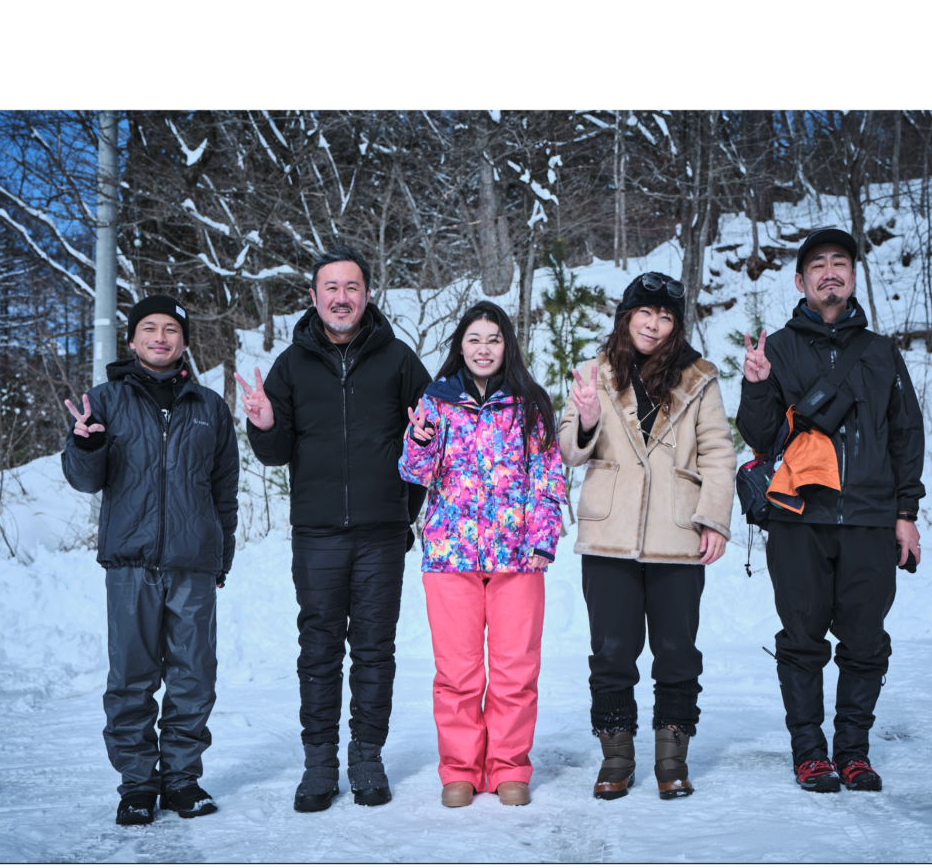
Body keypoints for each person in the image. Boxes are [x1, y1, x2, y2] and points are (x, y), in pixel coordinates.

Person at [236, 245, 430, 811]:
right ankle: (318, 764)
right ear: (314, 296)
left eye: (351, 287)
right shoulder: (291, 365)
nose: (341, 298)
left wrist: (404, 511)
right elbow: (275, 453)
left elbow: (426, 444)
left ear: (366, 295)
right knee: (318, 650)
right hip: (317, 533)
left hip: (381, 533)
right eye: (331, 288)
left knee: (374, 649)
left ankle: (367, 758)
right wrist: (263, 424)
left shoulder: (398, 360)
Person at [736, 228, 924, 793]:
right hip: (799, 517)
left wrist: (906, 512)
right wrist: (756, 386)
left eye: (839, 262)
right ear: (801, 282)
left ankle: (854, 753)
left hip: (870, 517)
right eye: (817, 265)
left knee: (865, 640)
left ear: (853, 276)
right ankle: (810, 753)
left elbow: (906, 434)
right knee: (802, 639)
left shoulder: (882, 352)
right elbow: (759, 437)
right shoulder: (778, 349)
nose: (829, 272)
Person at [61, 294, 240, 826]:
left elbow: (225, 491)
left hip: (193, 564)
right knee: (131, 678)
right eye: (149, 328)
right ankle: (138, 784)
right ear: (132, 339)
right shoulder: (104, 401)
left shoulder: (209, 407)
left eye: (171, 329)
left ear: (184, 341)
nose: (160, 337)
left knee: (193, 676)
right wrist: (85, 446)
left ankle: (182, 780)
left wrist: (220, 556)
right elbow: (84, 480)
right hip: (130, 564)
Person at [558, 273, 736, 801]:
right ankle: (616, 758)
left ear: (676, 325)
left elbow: (718, 453)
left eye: (665, 317)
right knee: (611, 651)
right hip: (608, 534)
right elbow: (568, 449)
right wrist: (587, 419)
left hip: (677, 534)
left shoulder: (699, 378)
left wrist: (714, 519)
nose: (654, 325)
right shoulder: (593, 373)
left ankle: (671, 760)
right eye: (645, 313)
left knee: (676, 650)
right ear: (626, 316)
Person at [398, 301, 566, 808]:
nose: (484, 348)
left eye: (494, 339)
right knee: (457, 673)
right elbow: (415, 472)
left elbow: (548, 475)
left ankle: (510, 766)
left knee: (516, 670)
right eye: (475, 339)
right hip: (451, 555)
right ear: (461, 346)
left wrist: (543, 538)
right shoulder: (436, 400)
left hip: (518, 557)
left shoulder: (531, 402)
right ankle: (460, 769)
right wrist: (419, 439)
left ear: (507, 345)